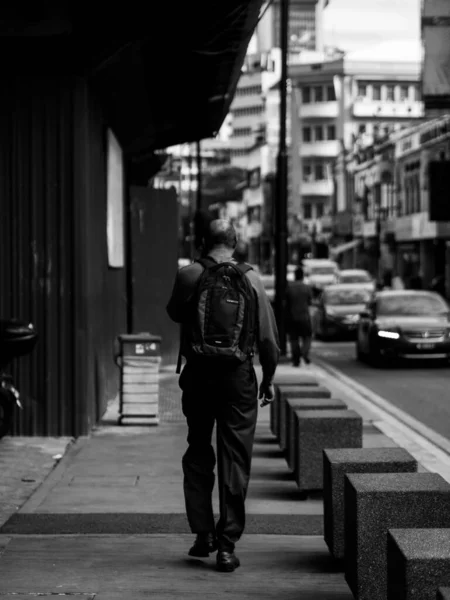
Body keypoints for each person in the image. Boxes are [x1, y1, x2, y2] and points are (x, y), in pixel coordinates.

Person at [166, 219, 280, 573]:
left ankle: (203, 535)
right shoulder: (251, 277)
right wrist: (268, 379)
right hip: (237, 378)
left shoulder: (188, 274)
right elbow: (268, 339)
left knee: (199, 450)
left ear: (203, 242)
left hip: (199, 375)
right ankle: (227, 546)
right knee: (235, 459)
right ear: (235, 243)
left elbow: (174, 313)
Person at [286, 266, 313, 367]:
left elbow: (286, 302)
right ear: (302, 276)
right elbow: (310, 301)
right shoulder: (306, 288)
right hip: (304, 317)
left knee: (294, 339)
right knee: (308, 337)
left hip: (292, 317)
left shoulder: (289, 287)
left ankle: (296, 359)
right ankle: (304, 353)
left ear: (295, 276)